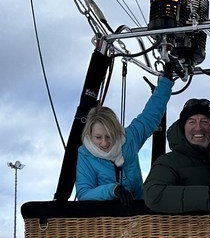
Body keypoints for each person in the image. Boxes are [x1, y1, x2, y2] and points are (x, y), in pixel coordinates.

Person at [75, 74, 174, 202]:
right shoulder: (86, 155)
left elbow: (151, 114)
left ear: (116, 132)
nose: (104, 143)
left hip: (137, 208)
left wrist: (166, 81)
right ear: (89, 133)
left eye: (109, 136)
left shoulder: (129, 139)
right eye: (98, 137)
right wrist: (112, 190)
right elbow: (84, 193)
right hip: (105, 213)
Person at [143, 98, 210, 217]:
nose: (198, 128)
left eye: (204, 121)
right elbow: (153, 195)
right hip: (190, 228)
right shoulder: (169, 162)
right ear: (183, 128)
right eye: (192, 122)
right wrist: (206, 198)